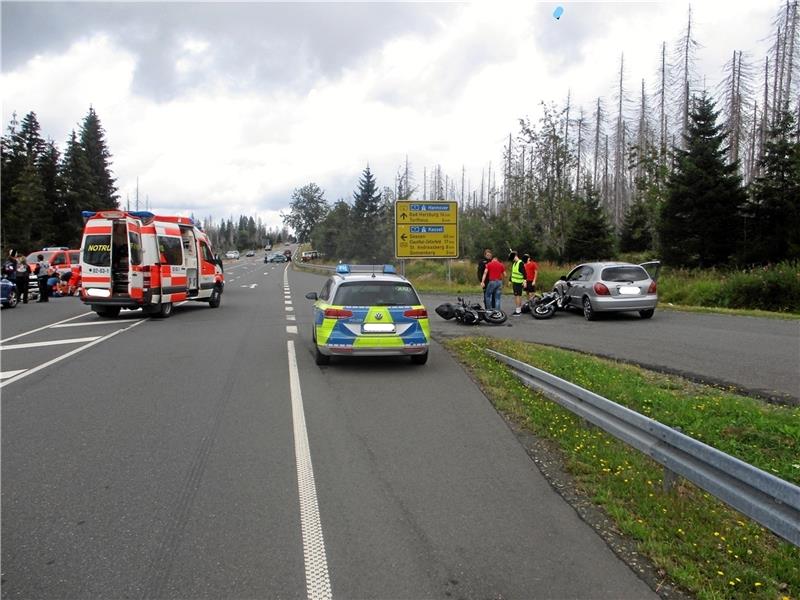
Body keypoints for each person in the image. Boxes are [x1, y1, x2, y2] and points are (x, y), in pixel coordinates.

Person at [508, 250, 526, 315]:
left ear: (515, 256)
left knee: (518, 296)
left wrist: (524, 281)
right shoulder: (514, 263)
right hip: (514, 282)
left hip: (518, 283)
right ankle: (518, 309)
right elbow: (512, 273)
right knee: (517, 296)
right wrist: (510, 280)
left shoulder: (520, 263)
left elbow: (524, 273)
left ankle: (518, 311)